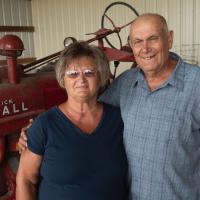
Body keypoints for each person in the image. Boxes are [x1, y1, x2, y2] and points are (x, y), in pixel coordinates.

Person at [18, 13, 200, 199]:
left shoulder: (196, 85)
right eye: (137, 41)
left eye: (153, 38)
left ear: (169, 39)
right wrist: (34, 132)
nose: (145, 48)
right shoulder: (126, 84)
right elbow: (84, 106)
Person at [16, 41, 128, 200]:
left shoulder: (120, 119)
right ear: (63, 79)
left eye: (89, 72)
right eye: (73, 74)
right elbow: (25, 180)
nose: (81, 79)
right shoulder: (44, 126)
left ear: (101, 76)